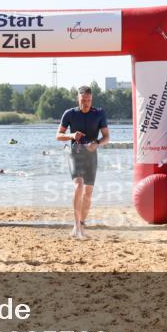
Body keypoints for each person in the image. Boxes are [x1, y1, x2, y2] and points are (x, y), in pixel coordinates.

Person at [56, 85, 110, 239]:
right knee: (79, 186)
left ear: (91, 99)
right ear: (77, 99)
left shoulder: (99, 113)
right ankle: (75, 226)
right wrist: (71, 135)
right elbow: (58, 135)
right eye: (83, 100)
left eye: (88, 100)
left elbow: (106, 136)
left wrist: (97, 143)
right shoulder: (70, 114)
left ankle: (81, 223)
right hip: (75, 153)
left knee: (88, 193)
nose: (86, 103)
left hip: (91, 154)